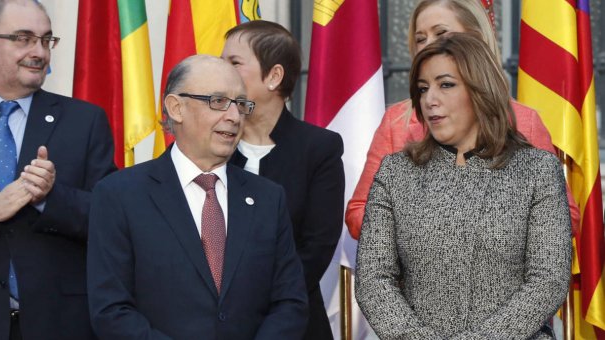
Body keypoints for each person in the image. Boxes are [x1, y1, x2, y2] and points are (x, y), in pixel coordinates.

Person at [355, 33, 572, 339]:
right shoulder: (395, 173)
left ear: (480, 88)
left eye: (446, 84)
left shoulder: (537, 171)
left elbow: (548, 280)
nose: (430, 99)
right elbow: (374, 280)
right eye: (422, 88)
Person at [87, 54, 309, 339]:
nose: (233, 117)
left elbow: (290, 303)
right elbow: (111, 310)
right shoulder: (119, 195)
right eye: (217, 102)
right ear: (176, 108)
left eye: (240, 105)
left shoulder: (268, 198)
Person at [0, 0, 116, 339]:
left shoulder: (85, 122)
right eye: (23, 38)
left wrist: (50, 198)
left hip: (60, 323)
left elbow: (111, 218)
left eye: (46, 40)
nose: (39, 51)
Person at [345, 0, 580, 240]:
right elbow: (358, 213)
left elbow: (565, 217)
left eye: (441, 32)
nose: (428, 45)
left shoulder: (523, 120)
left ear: (476, 37)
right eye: (420, 38)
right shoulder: (397, 122)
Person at [221, 21, 344, 340]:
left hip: (293, 323)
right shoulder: (211, 145)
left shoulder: (318, 148)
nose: (221, 72)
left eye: (233, 63)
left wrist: (263, 302)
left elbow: (317, 248)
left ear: (274, 76)